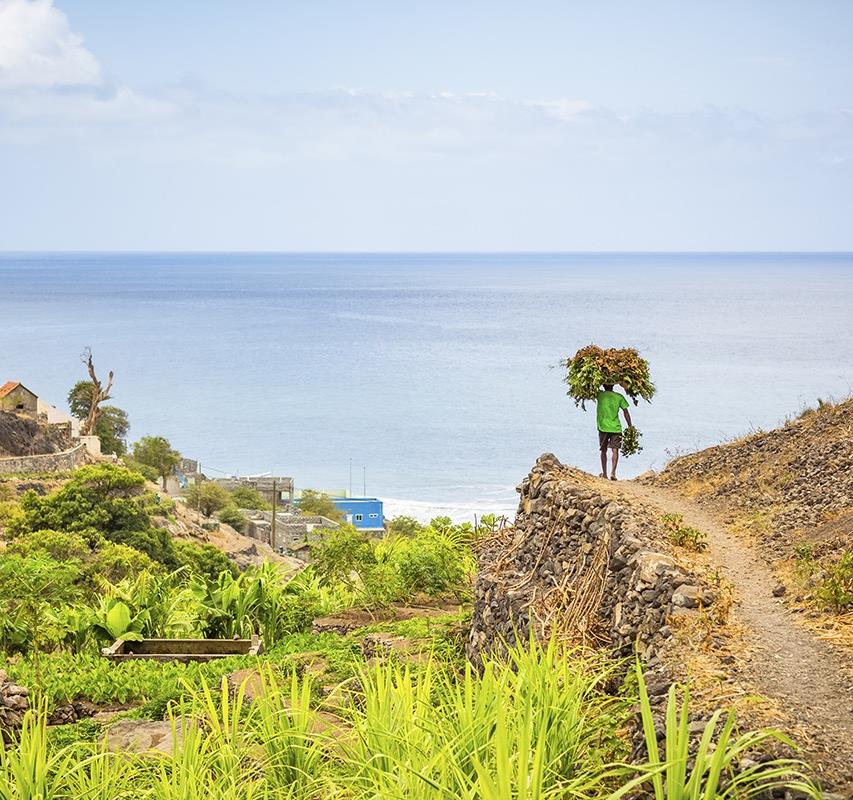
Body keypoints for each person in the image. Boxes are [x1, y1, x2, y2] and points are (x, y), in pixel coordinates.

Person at [596, 383, 632, 480]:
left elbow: (589, 388)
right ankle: (613, 473)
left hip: (603, 427)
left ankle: (604, 473)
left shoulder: (599, 394)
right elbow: (626, 412)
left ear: (603, 386)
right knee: (615, 450)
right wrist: (630, 426)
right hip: (616, 427)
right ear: (613, 386)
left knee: (603, 451)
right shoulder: (619, 397)